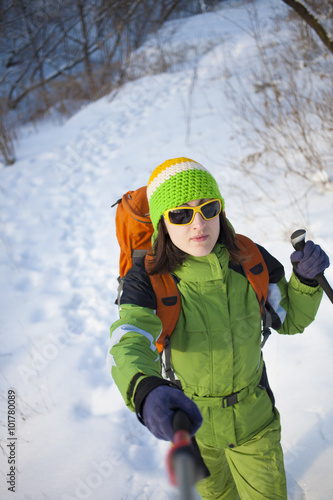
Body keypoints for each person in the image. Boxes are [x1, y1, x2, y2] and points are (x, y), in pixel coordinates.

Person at [108, 157, 329, 499]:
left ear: (221, 212)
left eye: (208, 208)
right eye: (181, 214)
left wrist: (304, 282)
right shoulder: (149, 279)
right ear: (162, 224)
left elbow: (289, 319)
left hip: (256, 423)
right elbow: (130, 339)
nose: (198, 224)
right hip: (193, 426)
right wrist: (143, 389)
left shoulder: (248, 258)